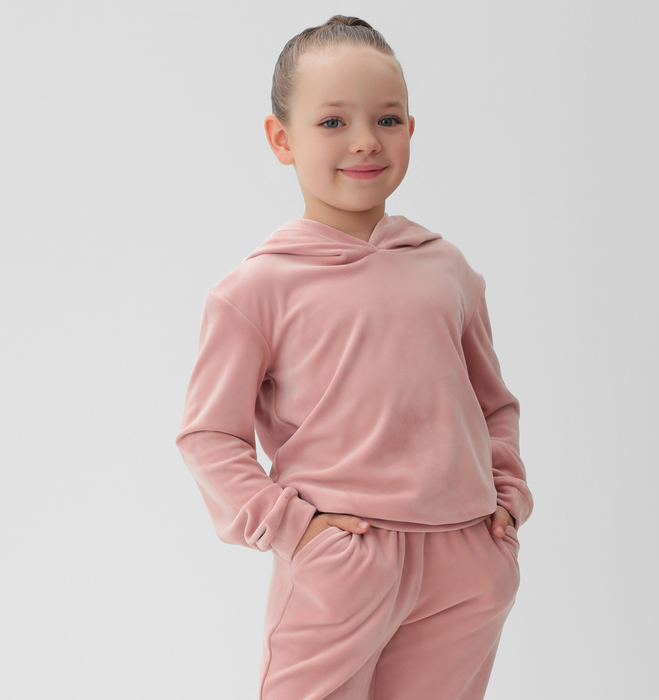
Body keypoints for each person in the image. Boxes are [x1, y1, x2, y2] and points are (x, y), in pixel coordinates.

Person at [175, 14, 534, 700]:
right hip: (345, 560)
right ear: (281, 138)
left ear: (411, 130)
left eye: (388, 119)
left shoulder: (448, 270)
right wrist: (296, 531)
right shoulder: (256, 289)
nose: (366, 140)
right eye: (333, 122)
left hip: (467, 561)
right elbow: (209, 435)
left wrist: (507, 504)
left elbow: (494, 404)